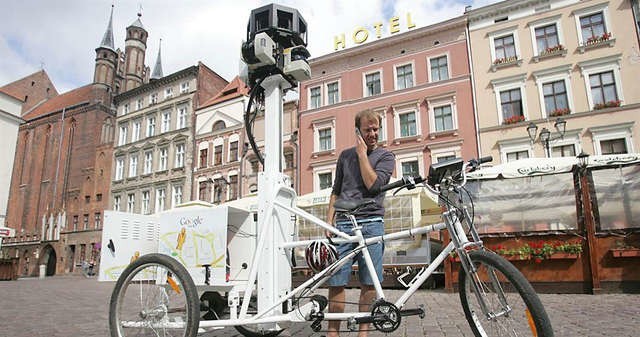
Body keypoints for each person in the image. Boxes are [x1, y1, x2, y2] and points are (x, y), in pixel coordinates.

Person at [325, 110, 395, 337]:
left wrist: (362, 153)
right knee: (336, 280)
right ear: (358, 131)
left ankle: (362, 333)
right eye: (368, 130)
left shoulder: (386, 156)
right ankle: (333, 332)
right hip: (344, 224)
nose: (373, 134)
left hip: (372, 223)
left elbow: (373, 184)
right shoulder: (345, 156)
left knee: (369, 282)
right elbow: (335, 191)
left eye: (376, 129)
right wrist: (329, 221)